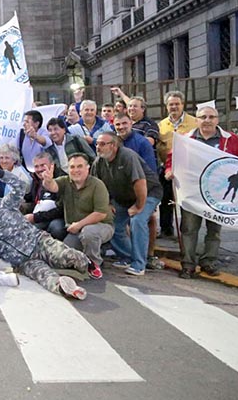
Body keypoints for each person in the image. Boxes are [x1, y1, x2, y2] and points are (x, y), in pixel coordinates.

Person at [0, 164, 95, 299]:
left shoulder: (4, 205)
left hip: (39, 242)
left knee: (67, 256)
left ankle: (87, 264)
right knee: (45, 278)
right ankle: (67, 289)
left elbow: (20, 186)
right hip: (24, 262)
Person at [165, 106, 238, 278]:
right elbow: (171, 158)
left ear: (217, 120)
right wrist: (169, 170)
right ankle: (188, 265)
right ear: (197, 120)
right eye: (203, 117)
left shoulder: (230, 140)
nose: (207, 120)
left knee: (214, 230)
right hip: (192, 193)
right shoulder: (186, 139)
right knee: (188, 229)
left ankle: (209, 262)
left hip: (216, 196)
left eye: (211, 117)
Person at [91, 132, 163, 276]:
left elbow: (140, 183)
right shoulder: (98, 162)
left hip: (148, 193)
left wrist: (138, 206)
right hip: (122, 198)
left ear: (114, 145)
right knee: (113, 223)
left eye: (102, 144)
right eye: (97, 144)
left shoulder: (127, 156)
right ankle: (128, 256)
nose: (98, 147)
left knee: (138, 220)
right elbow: (97, 185)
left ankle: (139, 264)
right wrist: (108, 203)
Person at [40, 154, 113, 277]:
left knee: (89, 233)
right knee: (63, 258)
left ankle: (94, 265)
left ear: (87, 168)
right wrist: (48, 180)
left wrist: (79, 224)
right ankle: (92, 252)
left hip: (101, 226)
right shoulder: (65, 181)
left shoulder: (97, 185)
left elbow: (100, 214)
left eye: (80, 166)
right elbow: (52, 187)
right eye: (72, 167)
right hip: (75, 230)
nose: (75, 170)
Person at [157, 91, 197, 237]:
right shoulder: (161, 125)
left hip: (188, 170)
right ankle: (166, 230)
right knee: (166, 200)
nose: (174, 107)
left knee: (186, 202)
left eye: (177, 104)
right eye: (170, 104)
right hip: (167, 169)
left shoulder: (195, 122)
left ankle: (186, 232)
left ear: (182, 105)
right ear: (166, 106)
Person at [23, 152, 66, 240]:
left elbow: (62, 210)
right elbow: (32, 201)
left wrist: (36, 217)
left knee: (56, 228)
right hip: (40, 215)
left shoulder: (62, 179)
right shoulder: (35, 179)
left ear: (52, 165)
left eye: (43, 165)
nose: (39, 169)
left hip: (60, 217)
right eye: (36, 166)